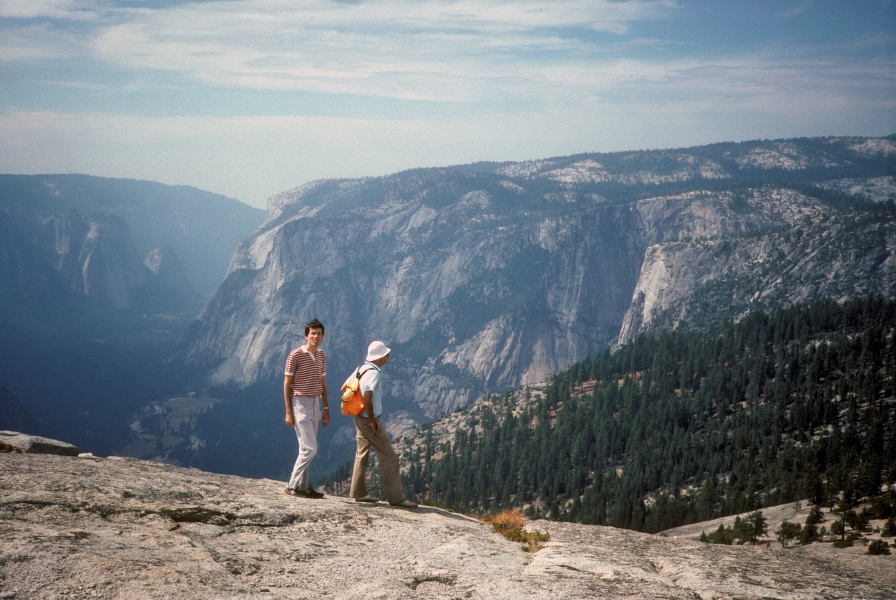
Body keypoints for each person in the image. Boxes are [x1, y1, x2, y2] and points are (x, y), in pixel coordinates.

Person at [343, 341, 417, 508]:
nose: (388, 356)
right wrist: (371, 421)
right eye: (386, 354)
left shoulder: (360, 369)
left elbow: (344, 387)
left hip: (359, 417)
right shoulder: (374, 373)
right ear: (379, 357)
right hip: (370, 420)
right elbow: (368, 397)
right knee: (389, 457)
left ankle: (359, 493)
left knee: (361, 454)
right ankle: (397, 499)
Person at [283, 318, 329, 499]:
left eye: (319, 334)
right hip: (300, 402)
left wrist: (326, 409)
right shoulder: (295, 355)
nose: (316, 337)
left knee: (305, 448)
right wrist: (288, 411)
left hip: (315, 402)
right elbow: (287, 383)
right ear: (306, 336)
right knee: (310, 449)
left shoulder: (321, 355)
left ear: (322, 336)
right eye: (313, 334)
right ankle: (292, 485)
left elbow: (322, 382)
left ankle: (304, 486)